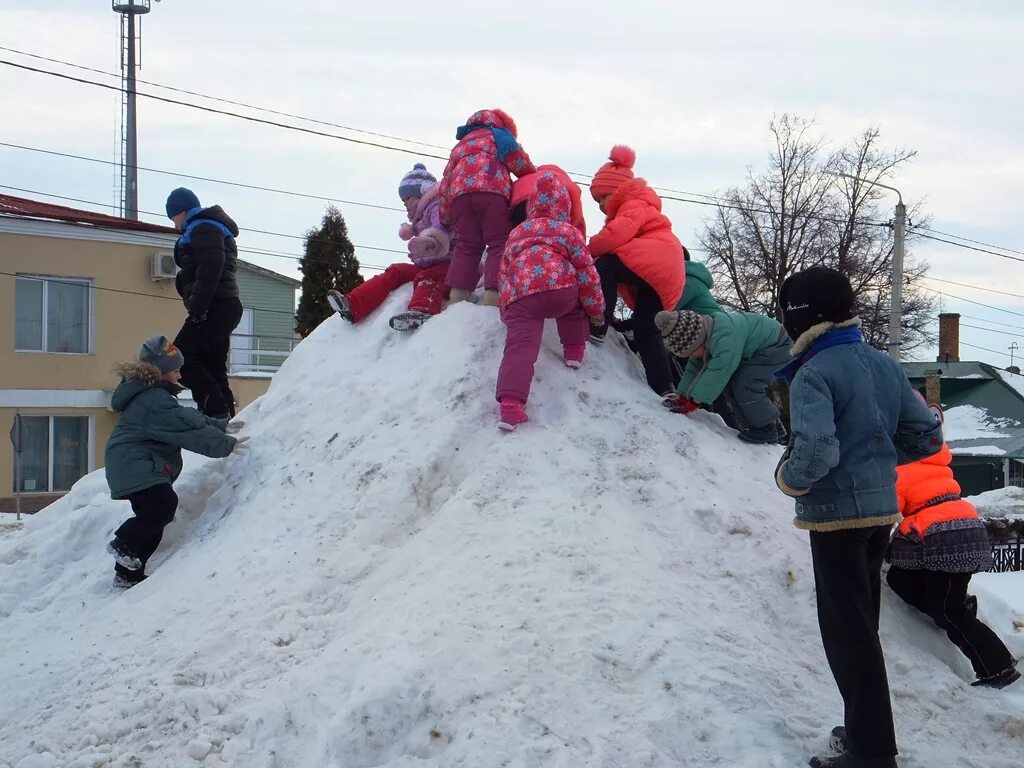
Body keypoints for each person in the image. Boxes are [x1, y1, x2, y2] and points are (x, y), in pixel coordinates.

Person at [773, 266, 943, 768]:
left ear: (802, 317)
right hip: (879, 513)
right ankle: (862, 731)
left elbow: (817, 452)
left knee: (848, 636)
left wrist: (788, 479)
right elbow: (927, 437)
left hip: (834, 519)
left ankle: (871, 753)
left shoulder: (814, 372)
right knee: (861, 629)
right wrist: (876, 460)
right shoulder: (884, 365)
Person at [887, 408, 1019, 690]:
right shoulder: (934, 465)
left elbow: (888, 513)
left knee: (950, 612)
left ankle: (998, 667)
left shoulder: (898, 472)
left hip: (945, 538)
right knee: (899, 579)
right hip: (966, 525)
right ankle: (955, 606)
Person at [105, 336, 247, 588]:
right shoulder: (153, 401)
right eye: (175, 370)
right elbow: (185, 428)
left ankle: (127, 573)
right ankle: (124, 543)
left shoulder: (153, 396)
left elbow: (187, 418)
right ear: (159, 372)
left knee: (155, 518)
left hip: (135, 465)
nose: (180, 375)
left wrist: (219, 426)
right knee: (162, 506)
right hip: (136, 465)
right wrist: (225, 444)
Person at [495, 173, 604, 431]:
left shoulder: (517, 233)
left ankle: (510, 407)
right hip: (559, 290)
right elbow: (588, 274)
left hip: (522, 296)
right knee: (576, 299)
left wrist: (505, 312)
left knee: (519, 347)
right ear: (565, 206)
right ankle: (574, 350)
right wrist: (596, 310)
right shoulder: (569, 232)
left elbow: (504, 274)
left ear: (531, 205)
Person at [587, 145, 685, 397]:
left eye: (603, 198)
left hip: (657, 260)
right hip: (667, 273)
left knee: (605, 264)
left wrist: (585, 250)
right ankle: (664, 386)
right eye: (597, 201)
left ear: (618, 191)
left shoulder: (633, 204)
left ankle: (599, 322)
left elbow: (614, 236)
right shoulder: (642, 205)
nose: (600, 205)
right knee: (646, 328)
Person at [327, 163, 452, 331]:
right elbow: (416, 229)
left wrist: (430, 240)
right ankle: (353, 304)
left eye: (407, 198)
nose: (405, 203)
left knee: (428, 278)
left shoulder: (436, 206)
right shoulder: (420, 216)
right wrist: (411, 231)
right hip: (428, 264)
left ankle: (422, 311)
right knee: (396, 271)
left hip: (451, 266)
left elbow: (441, 229)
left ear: (422, 192)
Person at [439, 109, 536, 306]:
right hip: (492, 194)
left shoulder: (460, 146)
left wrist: (445, 214)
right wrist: (531, 173)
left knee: (466, 245)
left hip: (460, 198)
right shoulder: (500, 136)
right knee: (499, 242)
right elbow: (518, 161)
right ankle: (494, 294)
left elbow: (446, 182)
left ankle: (458, 295)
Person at [655, 309, 790, 443]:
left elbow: (718, 373)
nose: (692, 356)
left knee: (746, 384)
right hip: (760, 350)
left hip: (779, 346)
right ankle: (767, 425)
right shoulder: (705, 337)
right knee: (732, 385)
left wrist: (695, 401)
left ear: (698, 340)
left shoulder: (724, 339)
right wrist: (682, 396)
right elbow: (693, 369)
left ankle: (767, 427)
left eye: (692, 352)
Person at [166, 187, 243, 419]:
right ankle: (227, 423)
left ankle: (215, 414)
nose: (174, 225)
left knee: (179, 359)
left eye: (173, 218)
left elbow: (211, 267)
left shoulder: (203, 226)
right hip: (221, 305)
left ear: (182, 210)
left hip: (214, 306)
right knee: (213, 365)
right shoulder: (204, 227)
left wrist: (198, 309)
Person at [510, 164, 586, 235]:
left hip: (520, 205)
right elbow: (578, 216)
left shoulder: (525, 178)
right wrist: (574, 232)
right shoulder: (568, 184)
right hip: (558, 228)